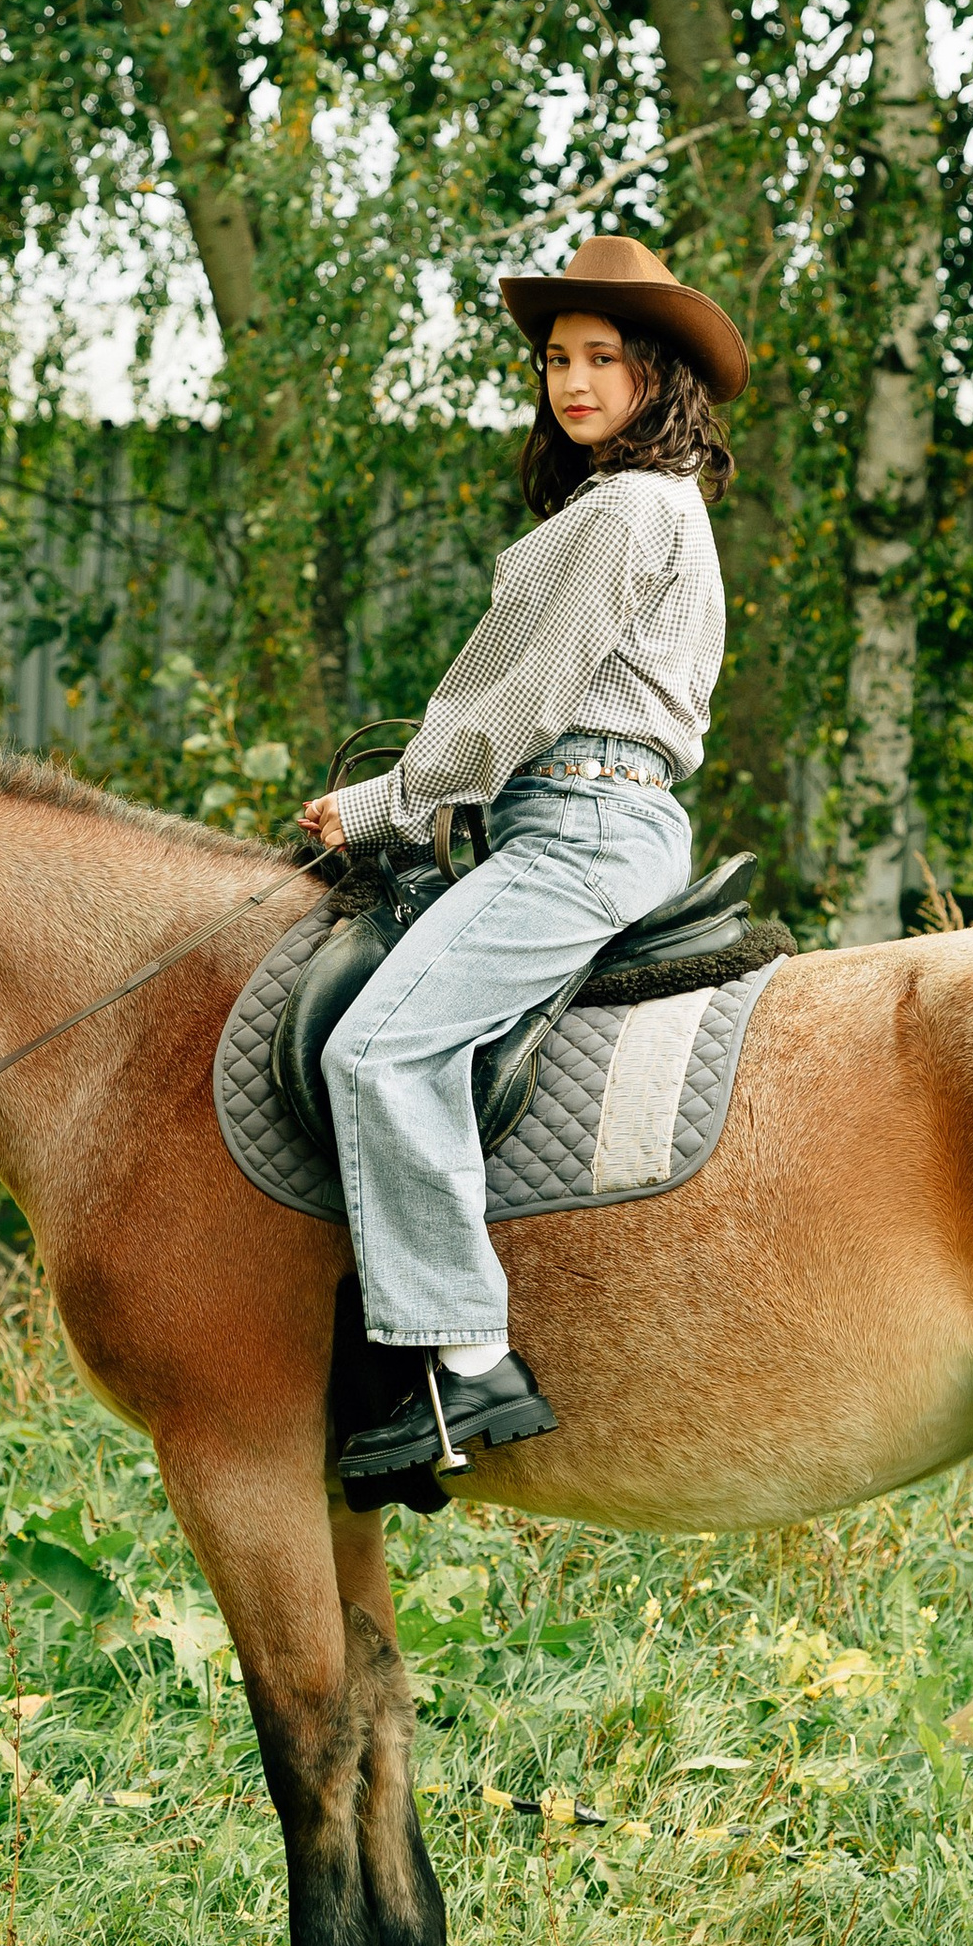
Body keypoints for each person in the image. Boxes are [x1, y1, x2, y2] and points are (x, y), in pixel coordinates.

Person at [296, 234, 745, 1486]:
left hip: (580, 823)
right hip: (593, 814)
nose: (573, 380)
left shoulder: (627, 510)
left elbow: (521, 700)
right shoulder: (655, 506)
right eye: (556, 359)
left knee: (377, 1052)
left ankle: (465, 1360)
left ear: (657, 373)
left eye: (602, 356)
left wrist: (386, 805)